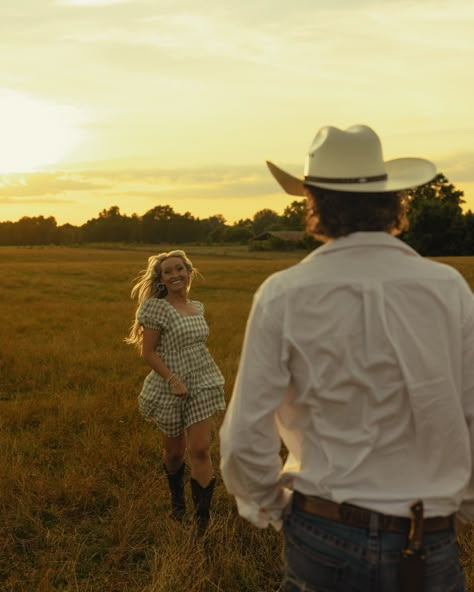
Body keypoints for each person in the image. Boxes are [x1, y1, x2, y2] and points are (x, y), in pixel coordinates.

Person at [220, 124, 474, 591]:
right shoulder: (448, 289)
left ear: (313, 203)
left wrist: (276, 510)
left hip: (323, 528)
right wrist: (457, 508)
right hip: (427, 532)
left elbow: (243, 438)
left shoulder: (284, 294)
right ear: (391, 200)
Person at [126, 249, 225, 533]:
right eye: (167, 272)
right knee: (174, 453)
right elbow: (148, 353)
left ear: (189, 272)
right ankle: (178, 504)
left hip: (203, 380)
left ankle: (202, 523)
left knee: (201, 449)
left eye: (179, 269)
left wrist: (191, 380)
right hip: (171, 385)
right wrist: (173, 380)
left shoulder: (198, 307)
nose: (175, 275)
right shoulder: (156, 309)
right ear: (161, 280)